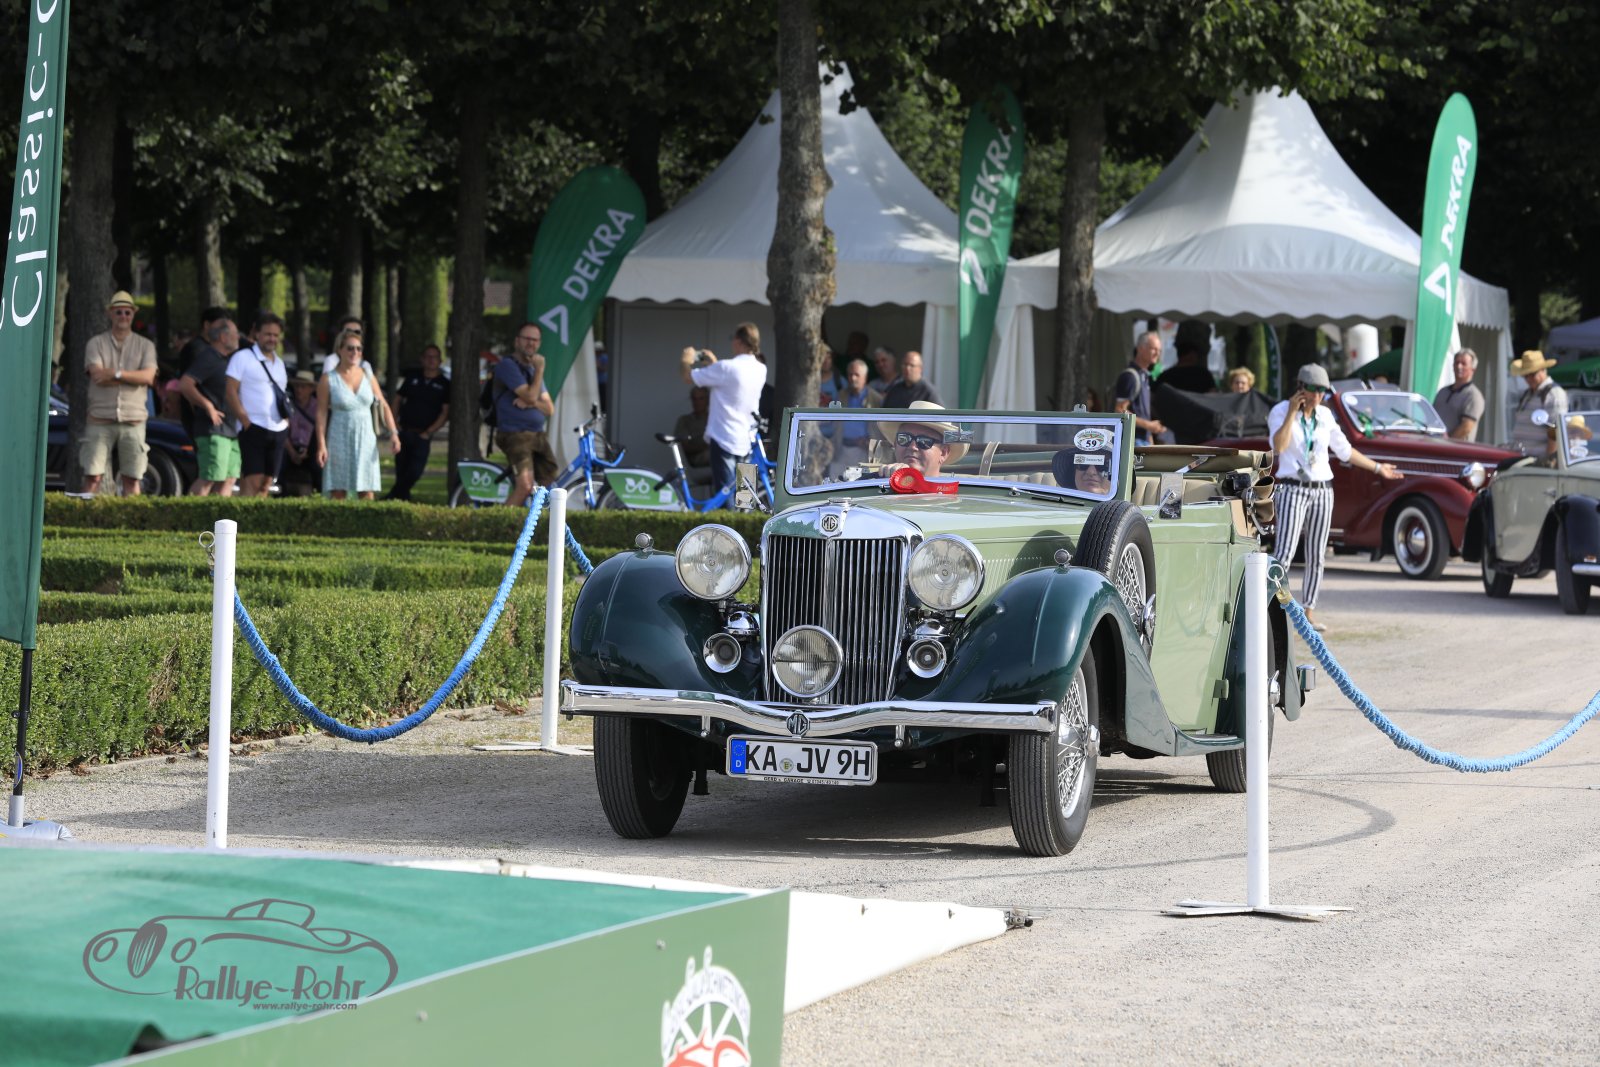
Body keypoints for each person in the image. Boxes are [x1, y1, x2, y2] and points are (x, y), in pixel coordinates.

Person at [1268, 363, 1401, 631]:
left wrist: (1378, 468)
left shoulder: (1325, 415)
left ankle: (1308, 611)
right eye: (1313, 390)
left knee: (1317, 553)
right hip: (1293, 487)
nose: (1318, 396)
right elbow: (1278, 447)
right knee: (1284, 552)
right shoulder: (1281, 411)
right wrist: (1292, 412)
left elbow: (1345, 451)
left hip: (1322, 489)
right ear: (1300, 388)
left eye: (1323, 391)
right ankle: (1271, 609)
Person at [81, 291, 159, 496]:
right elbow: (97, 376)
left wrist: (115, 374)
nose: (123, 316)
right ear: (110, 314)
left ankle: (131, 517)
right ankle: (85, 514)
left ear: (133, 314)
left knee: (133, 479)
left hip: (133, 419)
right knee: (92, 476)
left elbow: (148, 377)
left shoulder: (146, 345)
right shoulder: (95, 343)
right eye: (118, 312)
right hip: (99, 418)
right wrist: (134, 376)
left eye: (127, 312)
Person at [681, 322, 767, 495]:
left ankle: (726, 514)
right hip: (747, 439)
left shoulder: (725, 368)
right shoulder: (760, 369)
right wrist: (714, 363)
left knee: (725, 494)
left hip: (724, 438)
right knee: (745, 497)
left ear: (739, 342)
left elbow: (688, 377)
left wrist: (686, 359)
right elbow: (730, 383)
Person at [316, 329, 397, 500]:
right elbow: (321, 413)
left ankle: (366, 518)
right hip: (338, 436)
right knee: (338, 490)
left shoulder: (368, 375)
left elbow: (383, 404)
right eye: (350, 348)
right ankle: (339, 519)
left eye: (359, 349)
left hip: (365, 437)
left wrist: (393, 433)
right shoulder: (328, 379)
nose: (355, 352)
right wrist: (321, 444)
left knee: (366, 489)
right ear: (340, 350)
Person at [226, 311, 294, 497]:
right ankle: (247, 515)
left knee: (267, 483)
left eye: (275, 335)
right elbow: (230, 390)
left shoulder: (279, 363)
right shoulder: (242, 357)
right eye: (268, 334)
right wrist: (244, 419)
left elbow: (282, 394)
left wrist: (286, 423)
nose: (272, 339)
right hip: (253, 427)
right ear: (257, 334)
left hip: (278, 428)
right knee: (253, 480)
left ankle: (256, 514)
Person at [177, 316, 242, 496]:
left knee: (229, 479)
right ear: (223, 337)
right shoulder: (208, 357)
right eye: (235, 333)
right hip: (214, 430)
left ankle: (219, 515)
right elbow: (185, 384)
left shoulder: (225, 359)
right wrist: (208, 406)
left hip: (231, 430)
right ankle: (191, 514)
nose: (238, 337)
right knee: (209, 477)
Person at [494, 322, 557, 507]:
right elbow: (530, 394)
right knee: (525, 486)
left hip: (537, 434)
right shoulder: (508, 365)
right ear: (517, 341)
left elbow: (549, 408)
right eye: (527, 339)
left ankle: (533, 519)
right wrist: (540, 371)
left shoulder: (532, 370)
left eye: (535, 340)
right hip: (515, 433)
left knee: (550, 478)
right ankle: (500, 523)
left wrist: (532, 402)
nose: (531, 343)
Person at [386, 343, 450, 501]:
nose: (431, 360)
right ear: (422, 359)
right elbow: (398, 399)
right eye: (428, 357)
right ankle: (401, 501)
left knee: (415, 471)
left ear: (440, 361)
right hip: (404, 431)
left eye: (434, 357)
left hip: (423, 435)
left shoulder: (444, 384)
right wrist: (395, 424)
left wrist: (429, 432)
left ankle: (392, 496)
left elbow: (445, 412)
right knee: (401, 470)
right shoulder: (412, 378)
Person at [877, 401, 967, 480]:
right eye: (904, 438)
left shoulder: (956, 491)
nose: (912, 447)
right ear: (895, 445)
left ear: (943, 452)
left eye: (924, 441)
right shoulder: (880, 485)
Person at [1507, 350, 1566, 462]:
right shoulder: (1528, 393)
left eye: (1532, 374)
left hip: (1538, 461)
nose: (1528, 379)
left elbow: (1556, 432)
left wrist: (1549, 461)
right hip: (1522, 458)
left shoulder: (1554, 394)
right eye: (1525, 375)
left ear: (1543, 370)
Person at [1113, 331, 1166, 445]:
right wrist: (1149, 425)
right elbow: (1119, 410)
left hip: (1142, 441)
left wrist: (1150, 439)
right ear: (1141, 348)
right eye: (1154, 349)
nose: (1157, 353)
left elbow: (1143, 414)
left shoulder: (1144, 376)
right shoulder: (1130, 376)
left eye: (1159, 350)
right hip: (1131, 442)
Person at [824, 358, 874, 474]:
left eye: (857, 375)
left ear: (865, 377)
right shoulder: (840, 396)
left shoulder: (875, 399)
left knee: (861, 483)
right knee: (836, 483)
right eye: (850, 375)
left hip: (864, 452)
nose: (853, 378)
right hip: (841, 450)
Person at [277, 370, 323, 496]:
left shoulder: (318, 407)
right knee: (280, 461)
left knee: (319, 465)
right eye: (297, 386)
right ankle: (279, 496)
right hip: (290, 447)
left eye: (303, 387)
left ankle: (319, 496)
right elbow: (283, 431)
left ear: (311, 389)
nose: (299, 390)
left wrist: (309, 449)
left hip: (311, 448)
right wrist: (292, 452)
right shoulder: (288, 405)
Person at [1433, 348, 1486, 441]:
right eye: (1457, 362)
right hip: (1434, 444)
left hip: (1455, 447)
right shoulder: (1443, 391)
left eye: (1464, 364)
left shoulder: (1473, 396)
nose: (1459, 366)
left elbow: (1466, 427)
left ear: (1473, 369)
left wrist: (1446, 442)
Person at [673, 386, 712, 485]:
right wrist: (707, 446)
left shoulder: (715, 418)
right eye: (694, 399)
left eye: (701, 398)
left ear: (708, 400)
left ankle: (745, 494)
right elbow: (684, 447)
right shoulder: (685, 421)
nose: (697, 402)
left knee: (742, 458)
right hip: (697, 461)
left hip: (720, 457)